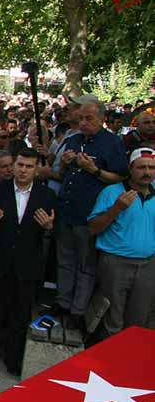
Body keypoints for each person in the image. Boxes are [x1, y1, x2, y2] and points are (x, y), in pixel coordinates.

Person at [0, 149, 56, 375]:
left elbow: (51, 234)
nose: (23, 170)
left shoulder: (46, 195)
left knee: (20, 314)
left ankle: (14, 358)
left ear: (36, 169)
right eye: (20, 165)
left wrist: (49, 228)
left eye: (29, 166)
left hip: (27, 265)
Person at [52, 95, 128, 331]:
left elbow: (120, 176)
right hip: (66, 209)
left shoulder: (112, 143)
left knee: (85, 263)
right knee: (65, 260)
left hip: (89, 213)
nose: (84, 122)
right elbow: (62, 174)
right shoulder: (74, 139)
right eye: (81, 118)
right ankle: (62, 303)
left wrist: (93, 170)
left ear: (102, 118)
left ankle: (77, 309)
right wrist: (64, 163)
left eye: (89, 118)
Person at [86, 147, 155, 342]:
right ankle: (104, 365)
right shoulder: (112, 192)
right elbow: (93, 228)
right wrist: (117, 208)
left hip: (149, 265)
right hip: (115, 263)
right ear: (131, 168)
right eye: (141, 167)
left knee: (139, 319)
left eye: (152, 167)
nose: (147, 172)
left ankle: (127, 365)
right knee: (111, 319)